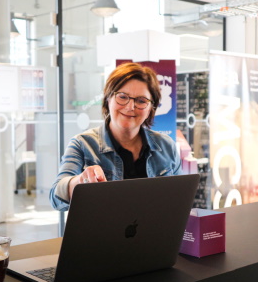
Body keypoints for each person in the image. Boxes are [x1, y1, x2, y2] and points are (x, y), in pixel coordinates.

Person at [50, 62, 182, 211]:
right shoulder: (83, 144)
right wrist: (79, 181)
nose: (130, 107)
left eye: (141, 101)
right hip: (102, 233)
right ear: (108, 98)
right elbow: (56, 198)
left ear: (151, 108)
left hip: (155, 233)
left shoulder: (166, 146)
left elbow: (179, 200)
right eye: (123, 97)